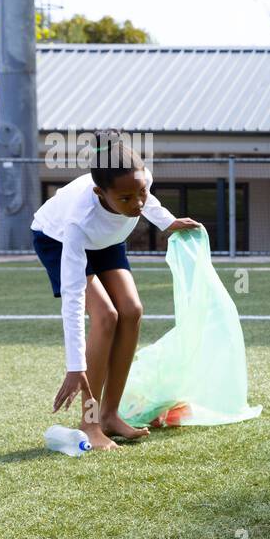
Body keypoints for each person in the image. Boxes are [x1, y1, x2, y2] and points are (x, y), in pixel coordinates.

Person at [31, 130, 200, 450]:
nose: (137, 203)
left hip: (106, 240)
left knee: (132, 310)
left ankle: (110, 415)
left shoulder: (139, 184)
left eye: (140, 192)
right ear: (99, 193)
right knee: (106, 315)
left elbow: (146, 200)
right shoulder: (77, 220)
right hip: (58, 240)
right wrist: (74, 365)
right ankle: (90, 423)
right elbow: (73, 297)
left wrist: (167, 221)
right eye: (125, 198)